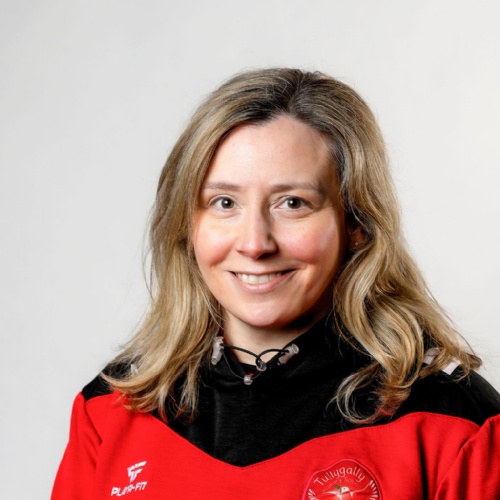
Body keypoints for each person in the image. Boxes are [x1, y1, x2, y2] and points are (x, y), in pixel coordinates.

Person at [52, 68, 500, 499]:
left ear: (357, 223)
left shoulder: (455, 424)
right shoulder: (109, 410)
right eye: (224, 202)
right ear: (187, 225)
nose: (254, 243)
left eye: (292, 203)